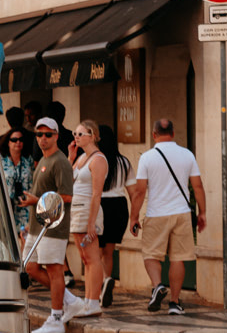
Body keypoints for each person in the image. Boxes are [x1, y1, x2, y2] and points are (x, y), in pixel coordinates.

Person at [128, 117, 206, 315]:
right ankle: (174, 302)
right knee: (178, 258)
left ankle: (157, 286)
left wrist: (134, 217)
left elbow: (139, 191)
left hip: (157, 213)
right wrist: (202, 212)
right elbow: (197, 186)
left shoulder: (147, 157)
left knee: (151, 254)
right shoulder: (187, 155)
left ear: (154, 135)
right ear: (173, 133)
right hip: (181, 213)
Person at [18, 117, 74, 333]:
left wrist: (36, 200)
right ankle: (68, 299)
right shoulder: (42, 160)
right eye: (39, 135)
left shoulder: (60, 161)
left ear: (56, 136)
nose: (43, 139)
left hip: (53, 226)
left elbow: (67, 196)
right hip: (36, 225)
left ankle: (57, 317)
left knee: (54, 270)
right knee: (30, 267)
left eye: (48, 135)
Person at [67, 121, 110, 318]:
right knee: (85, 257)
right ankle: (88, 299)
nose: (76, 136)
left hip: (87, 209)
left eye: (81, 133)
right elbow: (68, 180)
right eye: (75, 133)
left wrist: (92, 222)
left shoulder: (98, 159)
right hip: (76, 209)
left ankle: (93, 301)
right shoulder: (81, 157)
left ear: (92, 135)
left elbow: (96, 193)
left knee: (92, 257)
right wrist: (71, 157)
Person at [94, 123, 131, 308]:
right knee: (109, 251)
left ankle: (102, 284)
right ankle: (107, 280)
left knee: (96, 250)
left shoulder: (96, 160)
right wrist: (135, 216)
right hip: (119, 205)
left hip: (100, 205)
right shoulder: (123, 162)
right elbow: (133, 190)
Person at [0, 124, 36, 234]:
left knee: (25, 237)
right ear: (8, 142)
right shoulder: (1, 161)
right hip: (7, 205)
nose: (18, 142)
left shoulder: (28, 160)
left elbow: (34, 180)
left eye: (20, 140)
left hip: (25, 205)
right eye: (14, 140)